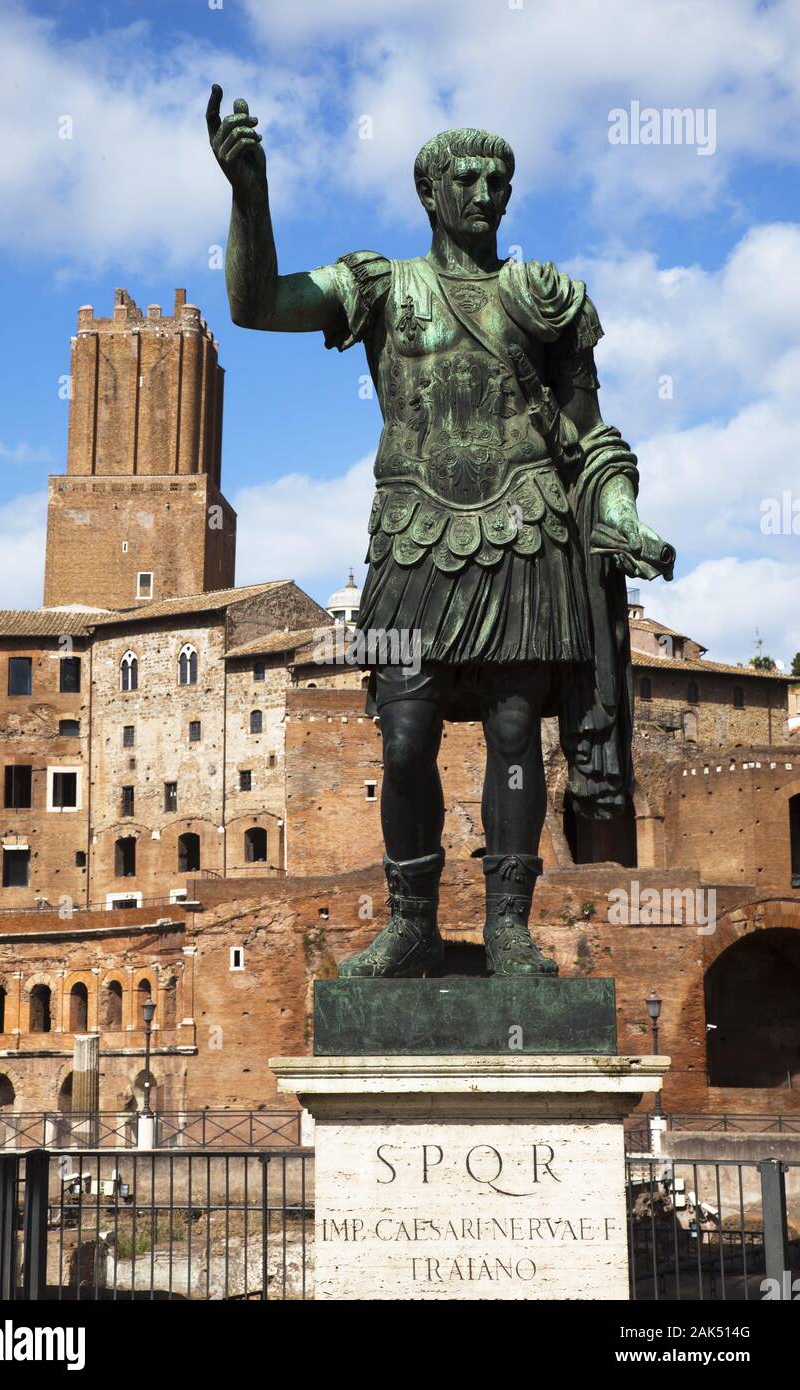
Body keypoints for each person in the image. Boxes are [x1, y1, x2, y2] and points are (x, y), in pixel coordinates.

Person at [207, 86, 674, 979]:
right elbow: (256, 301)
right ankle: (413, 919)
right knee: (405, 733)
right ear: (429, 191)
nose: (484, 190)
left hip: (528, 533)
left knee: (511, 734)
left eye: (498, 178)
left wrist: (620, 516)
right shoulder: (383, 287)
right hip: (412, 538)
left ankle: (507, 925)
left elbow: (590, 437)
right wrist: (248, 194)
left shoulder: (547, 299)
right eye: (464, 176)